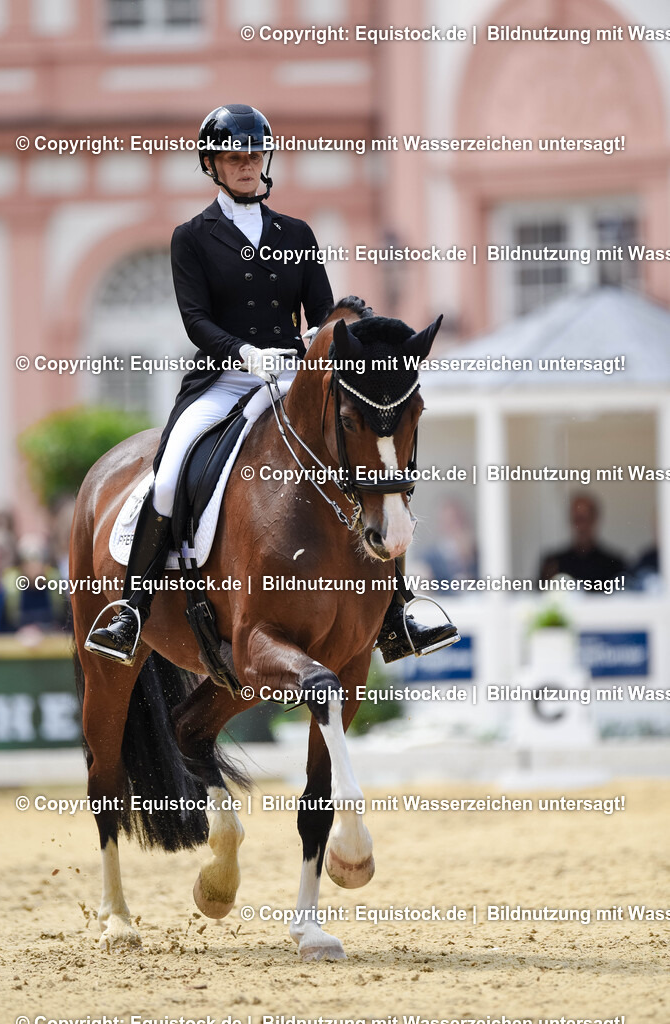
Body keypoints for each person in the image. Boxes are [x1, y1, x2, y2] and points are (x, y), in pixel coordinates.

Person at [86, 104, 457, 664]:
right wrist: (242, 352)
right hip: (223, 380)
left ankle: (397, 607)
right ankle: (133, 609)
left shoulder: (296, 233)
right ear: (212, 164)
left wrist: (331, 338)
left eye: (255, 154)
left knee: (368, 459)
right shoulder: (192, 237)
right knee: (171, 469)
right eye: (235, 157)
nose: (247, 165)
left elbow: (322, 317)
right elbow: (196, 320)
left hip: (290, 378)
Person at [538, 493, 627, 584]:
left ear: (595, 519)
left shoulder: (614, 565)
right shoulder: (553, 564)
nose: (581, 527)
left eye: (584, 519)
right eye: (577, 519)